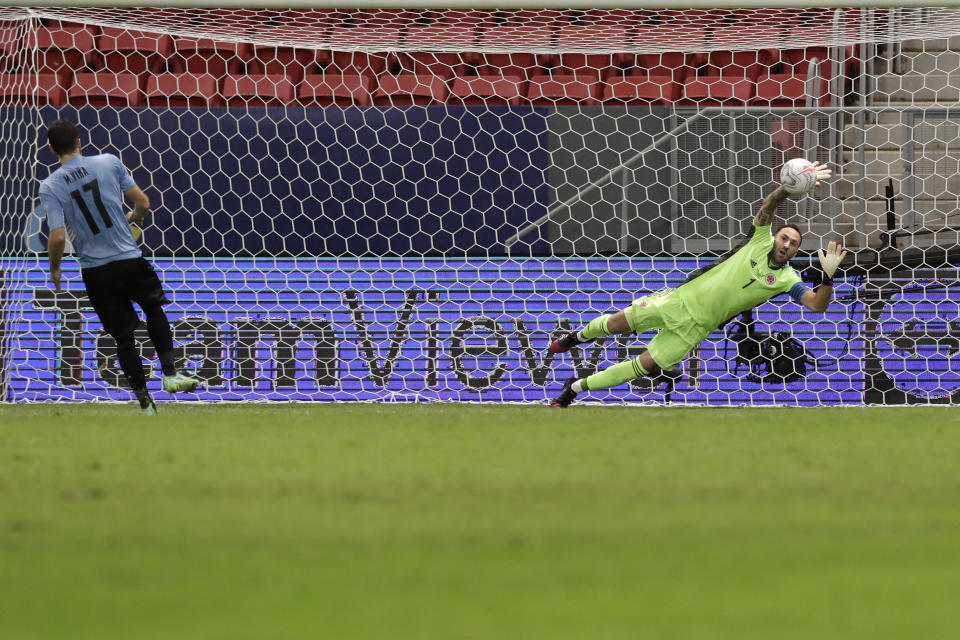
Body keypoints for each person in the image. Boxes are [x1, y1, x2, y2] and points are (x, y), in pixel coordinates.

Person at [549, 161, 846, 408]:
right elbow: (768, 207)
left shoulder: (787, 279)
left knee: (643, 365)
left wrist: (827, 278)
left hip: (696, 328)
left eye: (794, 244)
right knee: (615, 324)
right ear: (775, 237)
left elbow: (816, 305)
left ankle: (574, 389)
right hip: (677, 301)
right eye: (784, 238)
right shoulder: (758, 240)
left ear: (796, 251)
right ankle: (574, 338)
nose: (787, 245)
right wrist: (788, 187)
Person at [39, 118, 201, 415]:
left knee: (123, 336)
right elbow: (144, 202)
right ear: (79, 142)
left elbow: (58, 235)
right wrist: (134, 217)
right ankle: (170, 374)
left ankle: (145, 404)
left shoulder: (50, 185)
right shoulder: (108, 161)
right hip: (128, 259)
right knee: (153, 309)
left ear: (51, 149)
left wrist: (55, 269)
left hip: (96, 272)